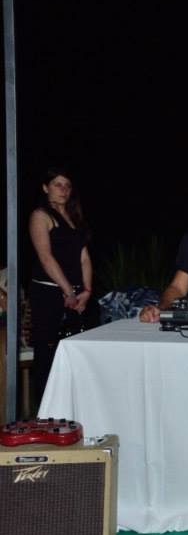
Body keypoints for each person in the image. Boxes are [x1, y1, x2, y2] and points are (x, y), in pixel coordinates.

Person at [28, 168, 92, 404]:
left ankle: (70, 404)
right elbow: (46, 258)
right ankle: (45, 408)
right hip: (48, 292)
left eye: (67, 185)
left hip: (75, 294)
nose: (64, 190)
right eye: (58, 184)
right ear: (46, 188)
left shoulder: (74, 218)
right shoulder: (40, 215)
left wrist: (86, 291)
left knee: (75, 348)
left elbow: (84, 258)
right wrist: (69, 291)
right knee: (47, 350)